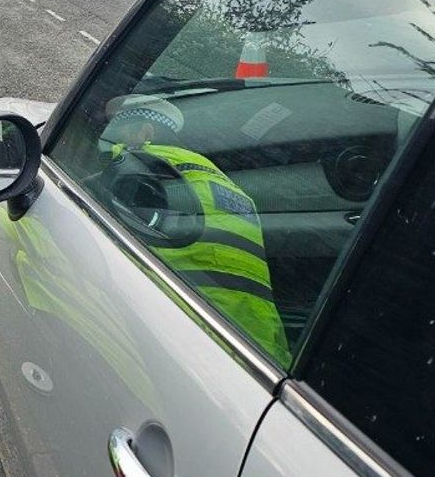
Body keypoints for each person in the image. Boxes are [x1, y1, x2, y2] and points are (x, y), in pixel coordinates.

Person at [98, 94, 291, 367]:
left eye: (118, 134)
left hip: (189, 328)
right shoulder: (235, 192)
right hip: (260, 345)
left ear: (145, 133)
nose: (111, 143)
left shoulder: (143, 164)